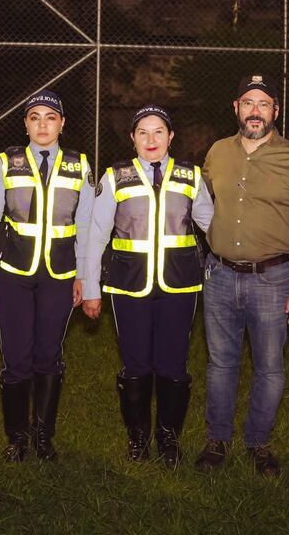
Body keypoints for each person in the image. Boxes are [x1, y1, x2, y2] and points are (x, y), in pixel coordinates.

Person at [196, 75, 289, 477]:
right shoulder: (217, 152)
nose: (256, 111)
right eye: (248, 103)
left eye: (264, 104)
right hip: (218, 275)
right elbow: (200, 204)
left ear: (276, 111)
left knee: (270, 366)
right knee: (221, 364)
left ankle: (258, 443)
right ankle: (217, 440)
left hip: (273, 278)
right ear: (236, 108)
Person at [83, 105, 214, 468]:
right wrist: (91, 288)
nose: (151, 139)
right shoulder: (115, 177)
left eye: (159, 132)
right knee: (136, 363)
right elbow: (96, 235)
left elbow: (213, 227)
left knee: (173, 364)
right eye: (143, 132)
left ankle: (169, 439)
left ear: (171, 137)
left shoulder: (190, 176)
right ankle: (138, 438)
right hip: (128, 287)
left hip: (179, 286)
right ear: (132, 138)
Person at [0, 90, 95, 462]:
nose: (43, 124)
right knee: (16, 356)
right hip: (13, 273)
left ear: (62, 124)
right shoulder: (6, 162)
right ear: (25, 124)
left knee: (48, 355)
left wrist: (83, 278)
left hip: (59, 275)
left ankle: (44, 437)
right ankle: (16, 438)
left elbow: (86, 228)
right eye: (35, 117)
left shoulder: (80, 165)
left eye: (50, 117)